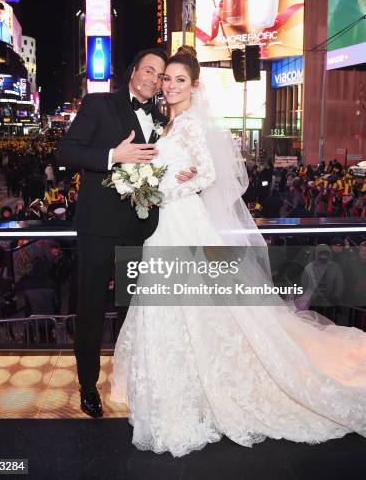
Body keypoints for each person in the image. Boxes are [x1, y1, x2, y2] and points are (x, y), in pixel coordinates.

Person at [111, 46, 366, 458]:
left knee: (196, 311)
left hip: (183, 222)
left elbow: (208, 174)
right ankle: (181, 394)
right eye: (167, 80)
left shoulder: (191, 123)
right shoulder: (169, 125)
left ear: (195, 85)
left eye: (180, 80)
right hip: (170, 226)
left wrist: (157, 190)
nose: (171, 86)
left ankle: (196, 396)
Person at [56, 48, 198, 419]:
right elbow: (66, 151)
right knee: (89, 309)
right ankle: (88, 384)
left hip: (141, 230)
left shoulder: (163, 116)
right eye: (150, 70)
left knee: (131, 312)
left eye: (162, 74)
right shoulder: (99, 104)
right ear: (134, 71)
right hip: (98, 228)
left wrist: (189, 176)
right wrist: (112, 155)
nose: (155, 79)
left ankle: (127, 379)